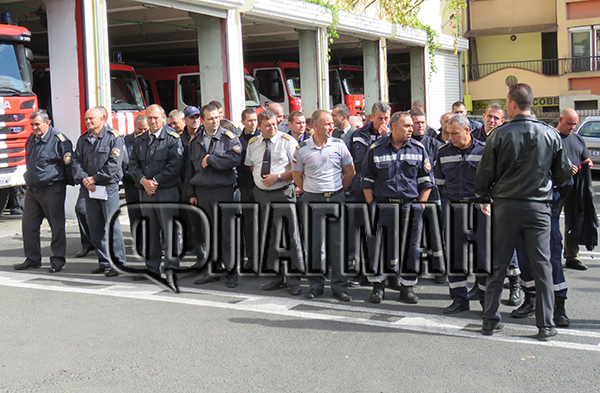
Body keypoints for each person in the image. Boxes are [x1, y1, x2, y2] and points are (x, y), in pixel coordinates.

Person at [474, 83, 572, 341]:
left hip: (505, 205)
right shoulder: (550, 135)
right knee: (542, 266)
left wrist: (483, 196)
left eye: (507, 103)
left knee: (498, 264)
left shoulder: (499, 134)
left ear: (513, 104)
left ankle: (490, 319)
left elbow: (484, 172)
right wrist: (554, 195)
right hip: (538, 206)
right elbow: (564, 174)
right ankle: (546, 325)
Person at [361, 111, 434, 304]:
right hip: (383, 207)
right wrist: (372, 206)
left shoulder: (418, 149)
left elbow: (427, 182)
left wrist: (420, 206)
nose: (411, 129)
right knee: (377, 246)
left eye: (411, 126)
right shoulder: (375, 149)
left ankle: (407, 286)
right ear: (394, 127)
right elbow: (366, 181)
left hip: (409, 207)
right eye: (407, 126)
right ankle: (378, 286)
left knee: (411, 247)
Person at [292, 110, 355, 301]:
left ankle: (339, 287)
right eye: (327, 124)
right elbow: (297, 176)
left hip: (336, 198)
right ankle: (315, 285)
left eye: (331, 124)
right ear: (316, 126)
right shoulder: (302, 149)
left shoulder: (339, 145)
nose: (331, 127)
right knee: (313, 244)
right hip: (313, 200)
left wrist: (337, 189)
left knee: (338, 244)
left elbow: (350, 171)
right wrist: (311, 190)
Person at [246, 110, 304, 295]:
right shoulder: (253, 143)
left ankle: (294, 279)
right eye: (267, 125)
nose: (271, 128)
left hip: (282, 193)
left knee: (289, 237)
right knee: (269, 236)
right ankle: (277, 275)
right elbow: (252, 166)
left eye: (273, 124)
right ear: (260, 127)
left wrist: (277, 178)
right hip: (262, 195)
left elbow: (297, 168)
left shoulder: (287, 141)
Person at [434, 114, 487, 313]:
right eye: (448, 134)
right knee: (455, 256)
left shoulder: (485, 151)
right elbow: (439, 183)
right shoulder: (443, 152)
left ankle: (485, 301)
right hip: (454, 208)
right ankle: (459, 299)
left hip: (478, 209)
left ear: (467, 130)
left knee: (482, 257)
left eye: (455, 134)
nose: (450, 138)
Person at [185, 103, 242, 288]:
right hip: (202, 192)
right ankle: (213, 270)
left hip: (223, 191)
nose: (215, 121)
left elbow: (236, 159)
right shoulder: (195, 141)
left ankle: (231, 272)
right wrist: (191, 193)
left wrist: (211, 159)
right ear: (202, 120)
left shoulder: (228, 138)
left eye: (217, 117)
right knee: (209, 233)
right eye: (210, 118)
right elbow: (189, 170)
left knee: (227, 234)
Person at [129, 104, 183, 284]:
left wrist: (155, 181)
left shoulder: (173, 139)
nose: (152, 121)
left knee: (169, 231)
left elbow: (174, 166)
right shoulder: (139, 140)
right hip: (146, 191)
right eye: (150, 118)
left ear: (163, 119)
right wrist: (143, 181)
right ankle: (152, 268)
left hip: (166, 191)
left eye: (156, 118)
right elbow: (133, 165)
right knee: (150, 231)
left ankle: (171, 268)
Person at [14, 109, 73, 273]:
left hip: (52, 188)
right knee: (28, 225)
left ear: (47, 123)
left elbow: (68, 165)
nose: (34, 128)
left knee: (56, 226)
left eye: (37, 124)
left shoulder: (59, 140)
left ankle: (57, 260)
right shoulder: (32, 139)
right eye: (32, 125)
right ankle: (32, 259)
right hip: (33, 190)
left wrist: (62, 184)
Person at [72, 107, 127, 277]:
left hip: (107, 187)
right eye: (86, 119)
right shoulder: (83, 139)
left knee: (112, 226)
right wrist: (85, 179)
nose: (88, 122)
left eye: (91, 119)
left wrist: (94, 178)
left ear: (102, 119)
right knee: (95, 226)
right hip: (90, 188)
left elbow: (114, 165)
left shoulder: (114, 138)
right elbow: (76, 161)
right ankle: (104, 261)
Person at [555, 108, 593, 270]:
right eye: (569, 123)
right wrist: (565, 168)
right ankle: (551, 255)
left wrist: (587, 164)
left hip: (575, 188)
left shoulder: (577, 139)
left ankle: (572, 256)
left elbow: (587, 159)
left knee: (573, 222)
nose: (572, 127)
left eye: (575, 124)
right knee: (551, 222)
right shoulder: (552, 138)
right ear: (560, 119)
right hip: (556, 187)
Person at [237, 108, 260, 269]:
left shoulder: (263, 138)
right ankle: (252, 259)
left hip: (263, 188)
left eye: (255, 120)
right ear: (243, 122)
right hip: (245, 188)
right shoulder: (238, 141)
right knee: (250, 226)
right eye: (249, 120)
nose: (253, 123)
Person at [123, 115, 149, 248]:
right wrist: (138, 177)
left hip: (148, 184)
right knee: (135, 214)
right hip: (132, 183)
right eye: (140, 130)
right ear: (135, 127)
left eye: (146, 129)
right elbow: (126, 163)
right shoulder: (126, 141)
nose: (143, 132)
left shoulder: (152, 139)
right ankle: (139, 243)